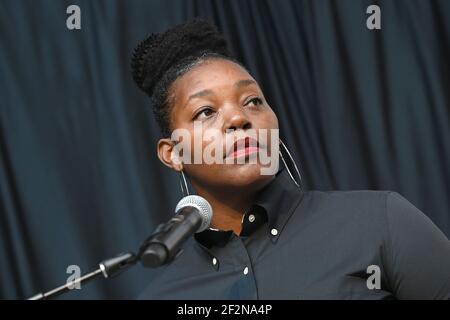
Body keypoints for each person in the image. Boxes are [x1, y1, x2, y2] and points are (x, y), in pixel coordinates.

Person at [130, 18, 450, 299]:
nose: (238, 118)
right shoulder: (165, 294)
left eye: (253, 100)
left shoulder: (381, 222)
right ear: (173, 153)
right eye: (206, 111)